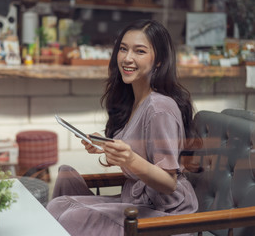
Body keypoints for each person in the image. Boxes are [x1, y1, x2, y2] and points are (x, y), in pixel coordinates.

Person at [46, 19, 198, 236]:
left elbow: (168, 182)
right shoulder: (134, 99)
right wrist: (105, 146)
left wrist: (130, 160)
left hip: (166, 214)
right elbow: (136, 151)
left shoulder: (159, 108)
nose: (127, 58)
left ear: (159, 61)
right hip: (136, 204)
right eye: (123, 49)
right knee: (60, 197)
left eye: (140, 51)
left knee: (69, 216)